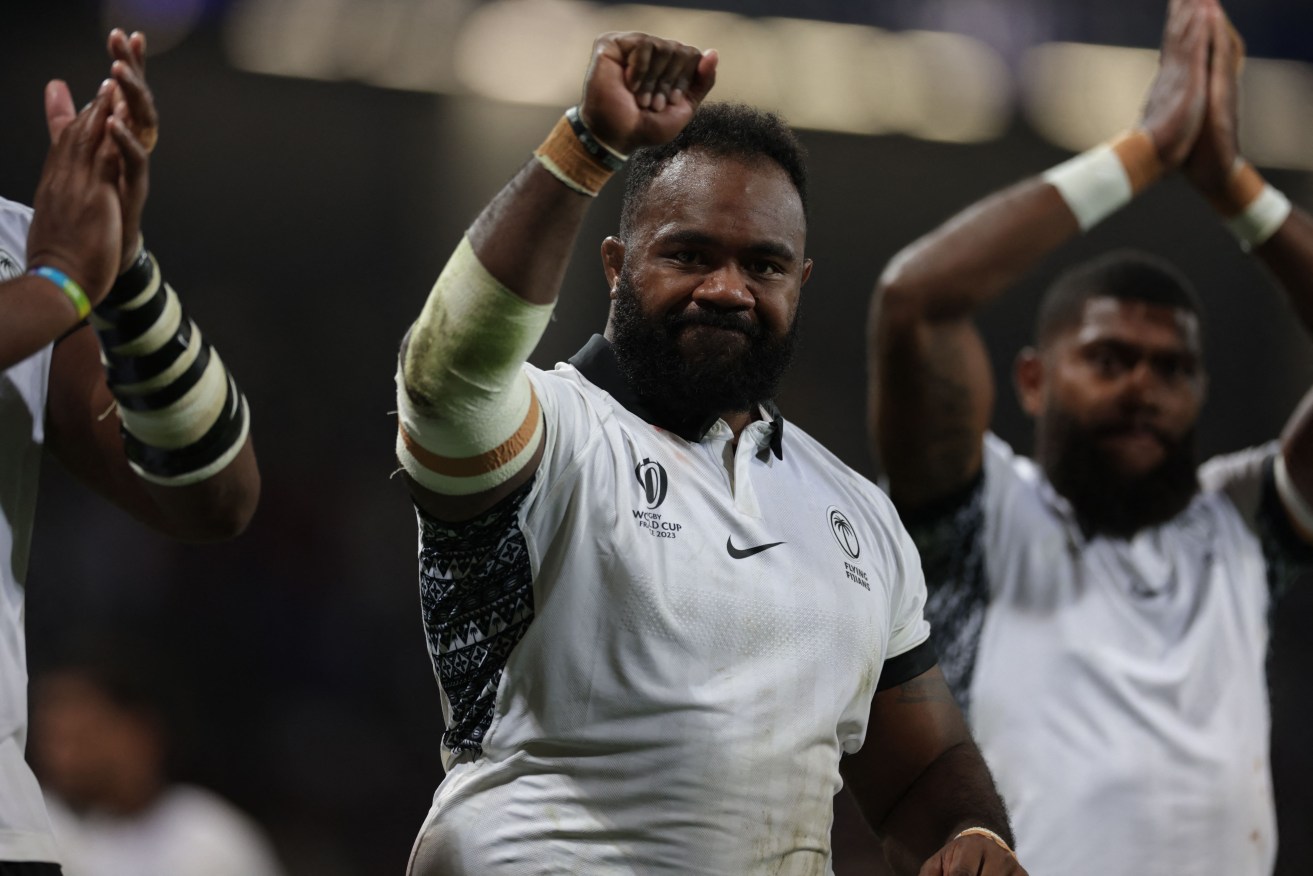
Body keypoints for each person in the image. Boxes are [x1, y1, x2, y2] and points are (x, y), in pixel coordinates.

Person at [394, 31, 1025, 876]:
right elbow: (447, 373)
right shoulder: (547, 434)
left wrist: (969, 836)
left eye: (762, 265)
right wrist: (588, 144)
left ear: (799, 284)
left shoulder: (858, 516)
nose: (726, 290)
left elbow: (920, 772)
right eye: (689, 254)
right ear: (616, 267)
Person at [867, 0, 1313, 873]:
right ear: (1032, 379)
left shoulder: (1243, 526)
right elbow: (913, 301)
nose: (1142, 387)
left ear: (1200, 390)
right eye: (1108, 358)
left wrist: (1229, 182)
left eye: (1169, 368)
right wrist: (1146, 151)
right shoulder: (976, 514)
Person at [1, 30, 259, 874]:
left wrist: (123, 274)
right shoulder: (38, 270)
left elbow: (216, 496)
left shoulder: (18, 247)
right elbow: (52, 286)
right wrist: (62, 285)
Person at [28, 647, 285, 876]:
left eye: (80, 737)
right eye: (52, 738)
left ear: (139, 732)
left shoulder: (212, 841)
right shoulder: (46, 832)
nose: (61, 758)